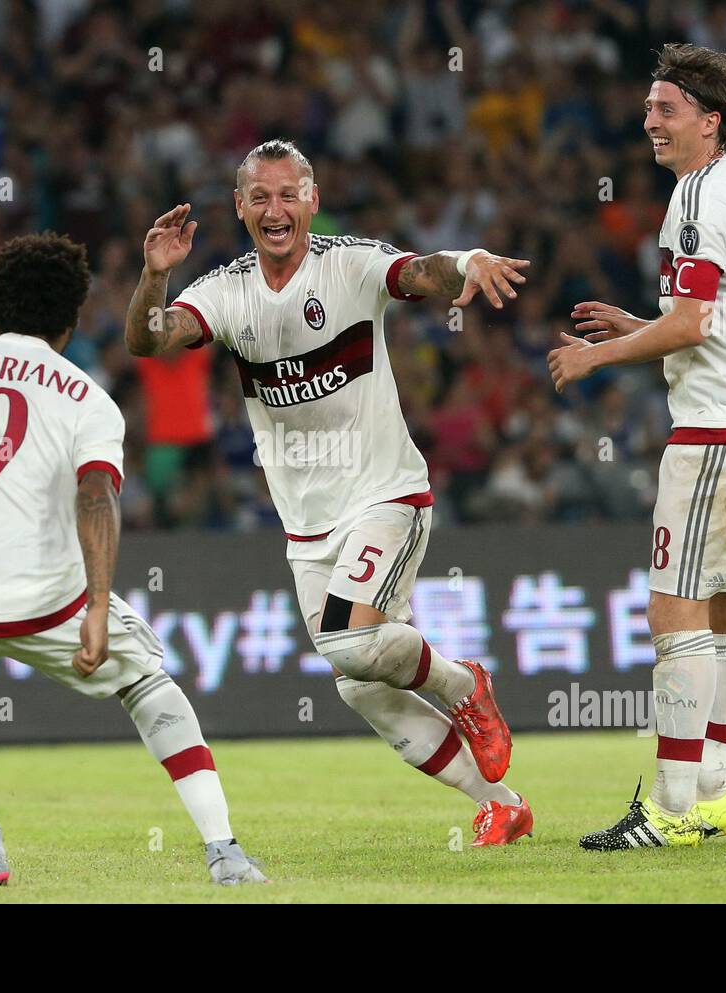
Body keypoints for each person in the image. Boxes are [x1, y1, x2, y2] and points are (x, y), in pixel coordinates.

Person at [125, 138, 534, 847]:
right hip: (306, 524)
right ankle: (500, 800)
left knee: (349, 640)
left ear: (312, 199)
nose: (276, 210)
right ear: (240, 208)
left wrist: (467, 262)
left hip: (386, 494)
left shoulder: (348, 264)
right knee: (357, 680)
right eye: (261, 197)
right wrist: (152, 277)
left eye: (289, 194)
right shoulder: (227, 289)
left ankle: (466, 685)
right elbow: (149, 340)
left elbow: (420, 271)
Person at [0, 232, 266, 886]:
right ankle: (225, 852)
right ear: (73, 318)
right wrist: (98, 606)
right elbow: (96, 496)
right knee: (149, 681)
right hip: (42, 600)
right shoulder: (86, 395)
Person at [549, 43, 726, 850]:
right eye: (649, 107)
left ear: (708, 120)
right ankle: (719, 791)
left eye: (665, 109)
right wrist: (640, 327)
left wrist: (596, 355)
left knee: (673, 608)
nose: (648, 121)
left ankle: (669, 806)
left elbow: (694, 323)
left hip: (718, 434)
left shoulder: (697, 191)